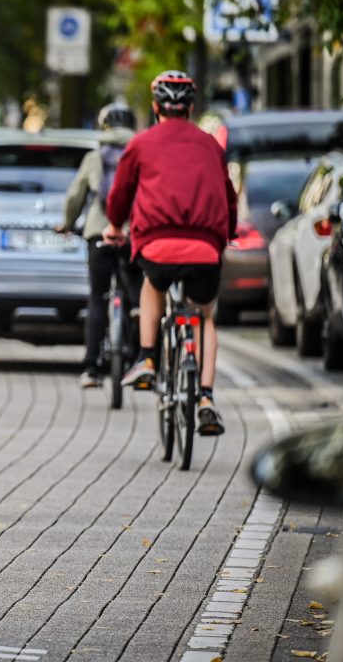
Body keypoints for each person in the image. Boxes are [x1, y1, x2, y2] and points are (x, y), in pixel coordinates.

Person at [103, 70, 237, 436]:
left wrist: (115, 226)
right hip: (205, 248)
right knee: (204, 316)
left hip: (156, 245)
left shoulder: (141, 144)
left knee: (152, 285)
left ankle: (147, 358)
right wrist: (230, 232)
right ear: (190, 108)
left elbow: (120, 195)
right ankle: (207, 398)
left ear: (155, 107)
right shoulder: (211, 146)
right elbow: (228, 196)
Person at [58, 102, 138, 388]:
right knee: (135, 299)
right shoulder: (139, 152)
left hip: (98, 233)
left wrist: (68, 224)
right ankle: (139, 361)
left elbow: (75, 196)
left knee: (97, 297)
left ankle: (91, 368)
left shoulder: (94, 158)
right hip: (131, 234)